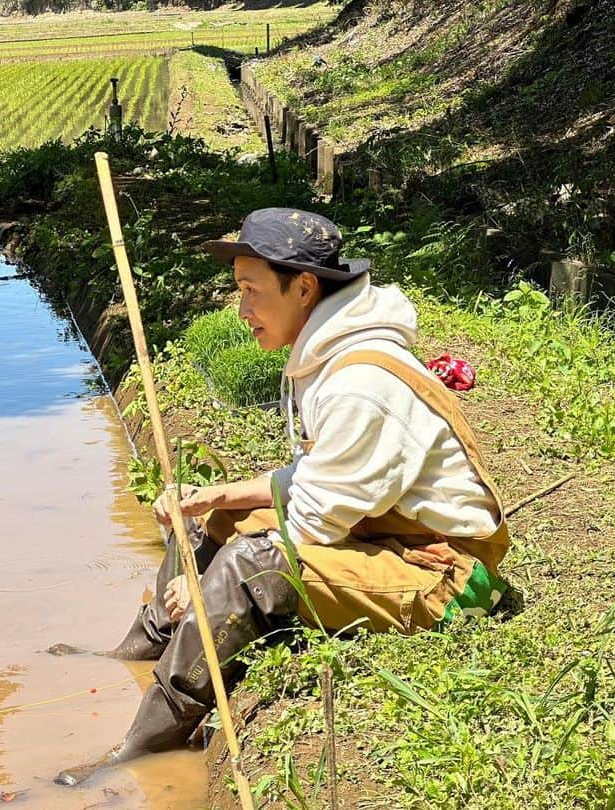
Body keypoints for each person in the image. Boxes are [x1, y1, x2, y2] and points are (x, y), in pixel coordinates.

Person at [55, 207, 510, 786]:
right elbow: (316, 476)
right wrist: (215, 496)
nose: (241, 309)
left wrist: (204, 585)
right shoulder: (331, 351)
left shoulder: (358, 384)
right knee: (214, 518)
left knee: (249, 568)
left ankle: (146, 742)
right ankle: (145, 645)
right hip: (378, 529)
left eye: (251, 291)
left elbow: (312, 526)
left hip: (442, 573)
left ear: (304, 287)